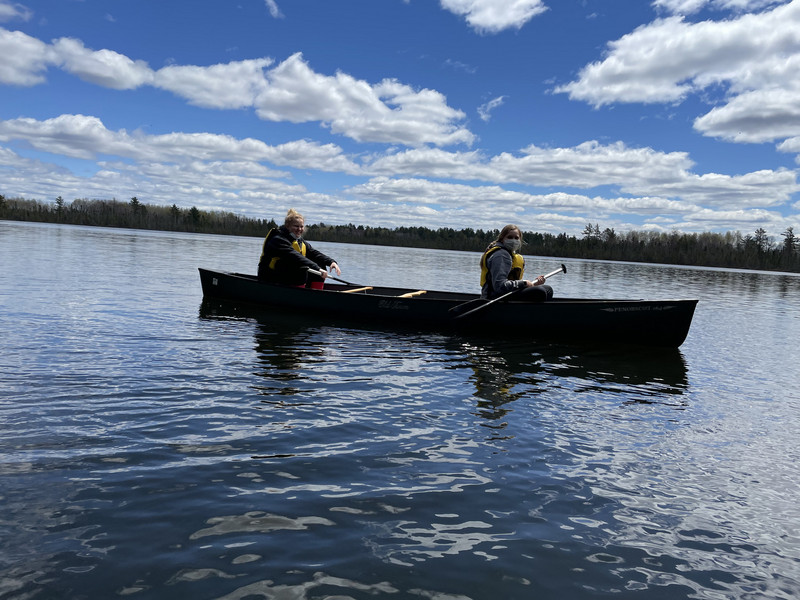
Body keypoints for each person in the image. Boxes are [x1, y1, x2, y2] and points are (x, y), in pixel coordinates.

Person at [257, 208, 341, 288]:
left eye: (301, 226)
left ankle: (315, 293)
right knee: (302, 266)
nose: (299, 229)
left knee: (320, 263)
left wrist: (331, 262)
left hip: (286, 277)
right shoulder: (278, 240)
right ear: (287, 226)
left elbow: (313, 252)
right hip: (269, 278)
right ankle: (299, 293)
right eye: (296, 226)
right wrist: (317, 269)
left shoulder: (299, 241)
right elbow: (296, 257)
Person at [480, 224, 553, 301]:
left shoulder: (510, 254)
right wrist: (524, 283)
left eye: (516, 238)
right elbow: (499, 287)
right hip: (495, 298)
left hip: (507, 294)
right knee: (540, 292)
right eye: (510, 237)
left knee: (547, 289)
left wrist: (532, 284)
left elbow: (513, 284)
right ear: (502, 239)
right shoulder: (501, 255)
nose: (513, 240)